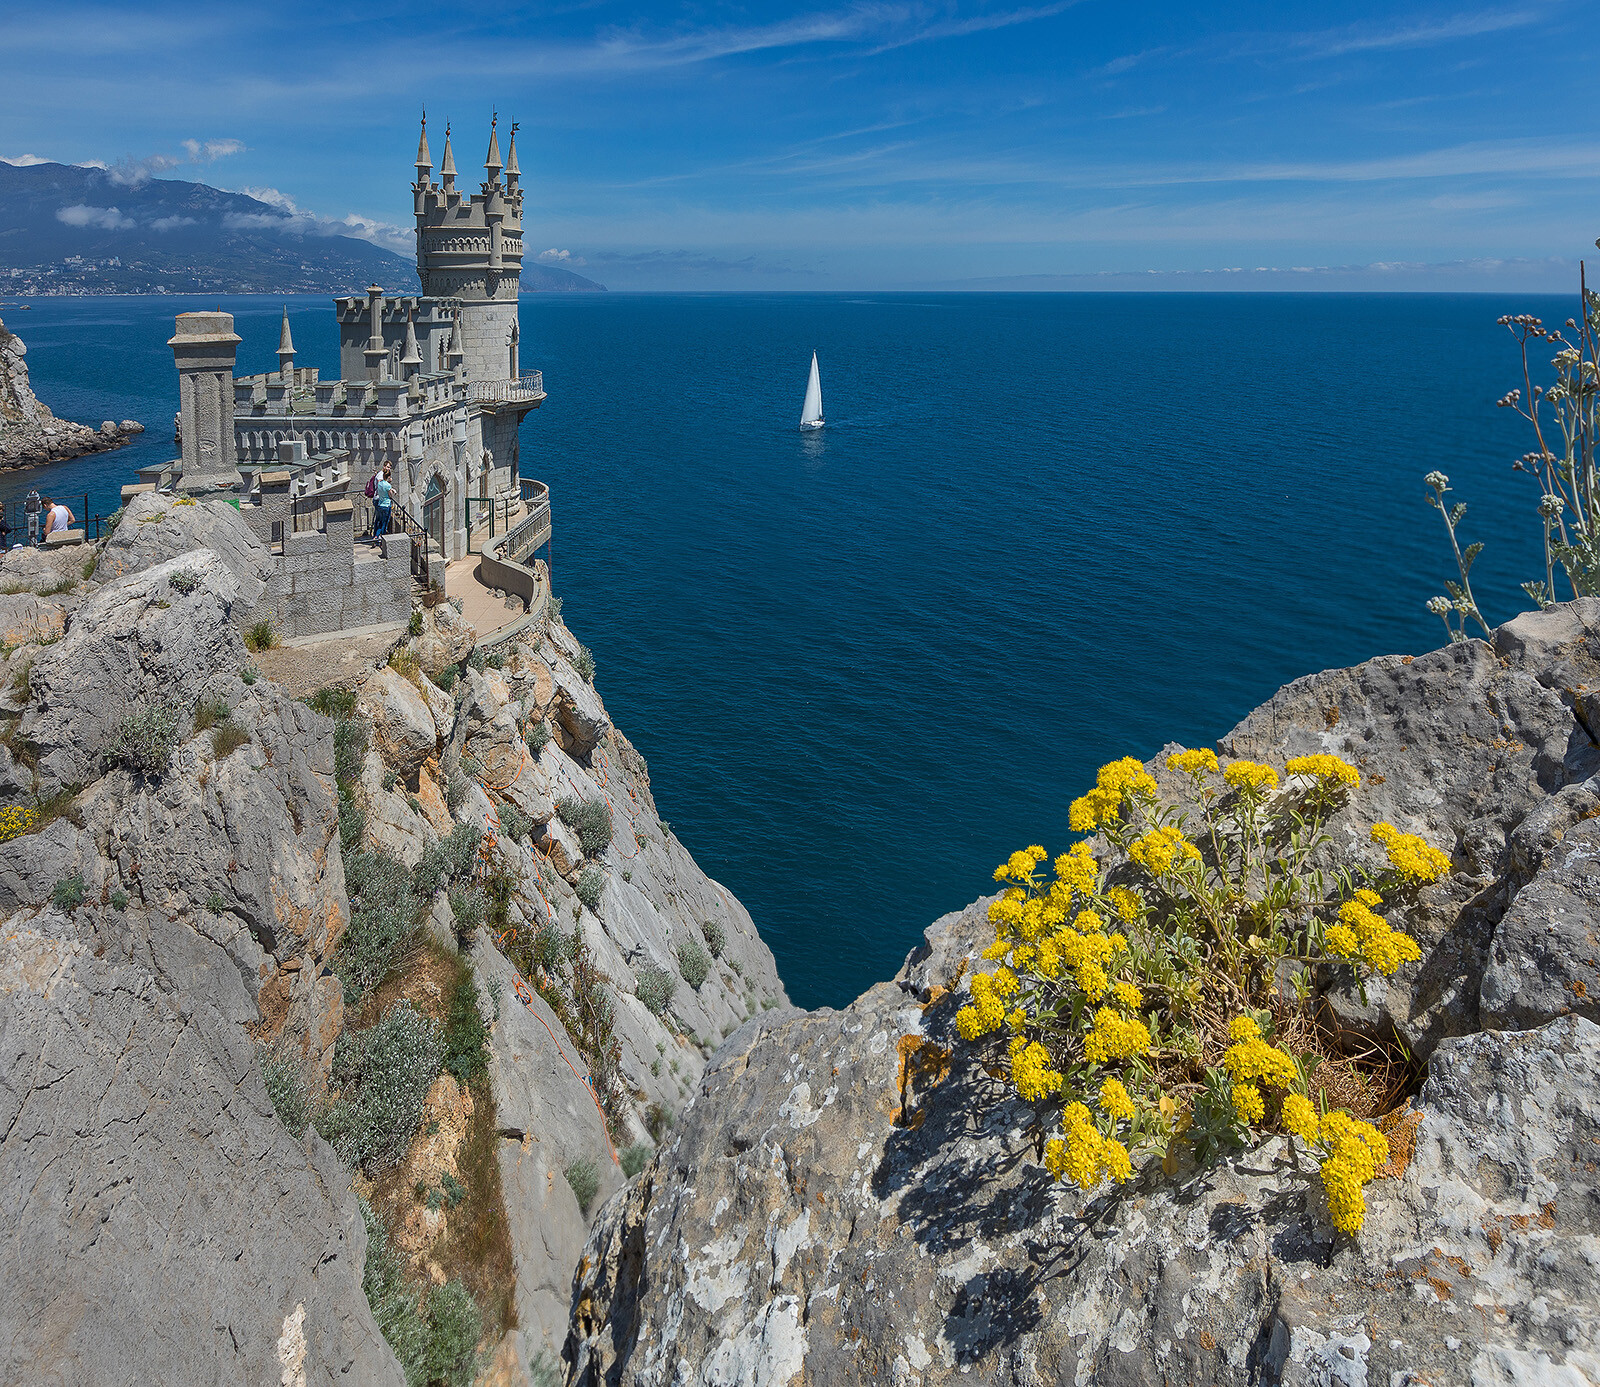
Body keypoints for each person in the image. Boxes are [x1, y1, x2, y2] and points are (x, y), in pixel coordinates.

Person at [373, 465, 394, 539]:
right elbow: (390, 495)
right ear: (388, 477)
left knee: (380, 522)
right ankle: (383, 539)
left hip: (380, 504)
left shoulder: (379, 484)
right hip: (386, 505)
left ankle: (376, 536)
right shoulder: (387, 485)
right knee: (384, 523)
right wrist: (391, 490)